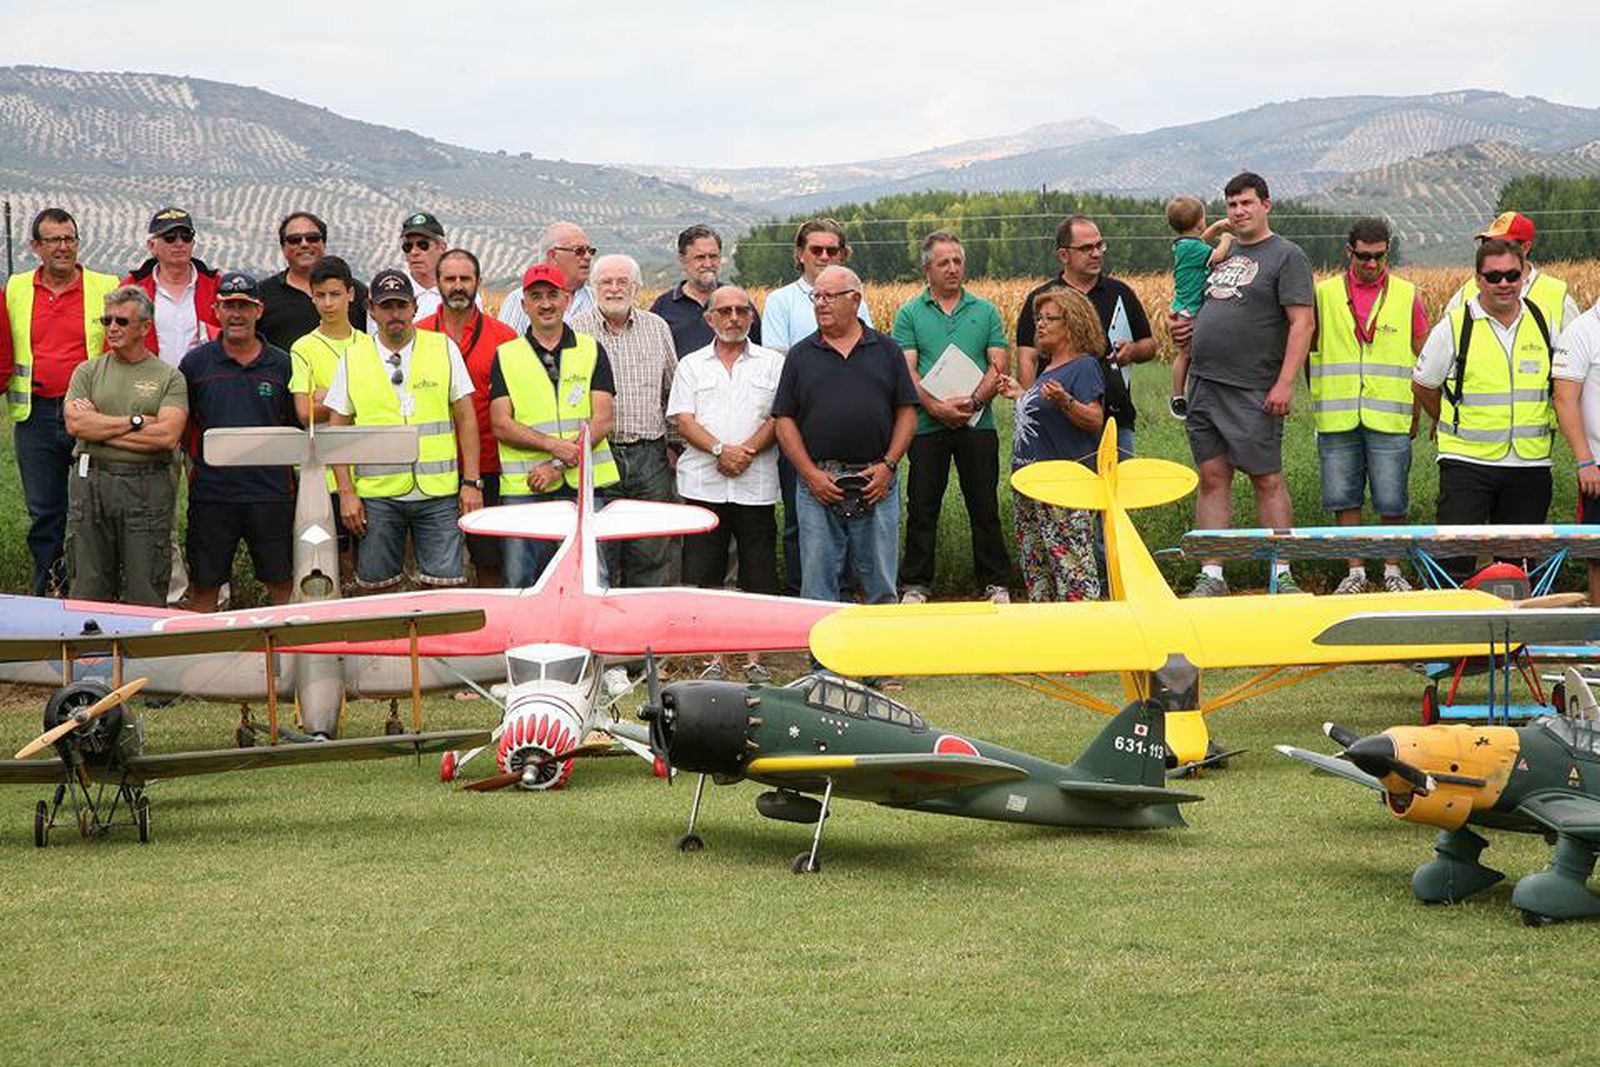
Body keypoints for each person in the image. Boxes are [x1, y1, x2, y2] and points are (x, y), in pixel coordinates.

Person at [1170, 172, 1314, 597]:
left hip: (1253, 387)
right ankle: (1213, 574)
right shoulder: (1221, 255)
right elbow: (1196, 297)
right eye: (1231, 204)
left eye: (1247, 203)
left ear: (1266, 205)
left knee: (1265, 477)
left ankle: (1281, 572)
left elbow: (1302, 323)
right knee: (1212, 476)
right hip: (1205, 384)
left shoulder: (1286, 256)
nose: (1238, 211)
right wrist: (1181, 327)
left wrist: (1285, 383)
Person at [325, 270, 482, 592]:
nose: (394, 314)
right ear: (372, 309)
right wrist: (347, 493)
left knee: (446, 587)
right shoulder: (353, 358)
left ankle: (436, 645)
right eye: (386, 306)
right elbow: (337, 429)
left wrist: (471, 482)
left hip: (438, 493)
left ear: (413, 307)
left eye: (400, 305)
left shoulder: (443, 348)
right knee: (376, 589)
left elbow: (466, 418)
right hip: (378, 496)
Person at [772, 265, 916, 605]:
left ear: (855, 300)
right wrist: (809, 475)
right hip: (819, 482)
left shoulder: (887, 351)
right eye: (816, 296)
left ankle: (879, 658)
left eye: (829, 296)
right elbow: (784, 421)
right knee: (818, 587)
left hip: (876, 480)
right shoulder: (800, 355)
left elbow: (907, 413)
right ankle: (824, 660)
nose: (820, 303)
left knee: (880, 583)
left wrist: (889, 465)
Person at [1414, 239, 1555, 579]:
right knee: (1453, 563)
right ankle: (1451, 628)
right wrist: (1451, 421)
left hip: (1529, 463)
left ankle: (1519, 632)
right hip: (1467, 463)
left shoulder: (1543, 320)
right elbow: (1423, 384)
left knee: (1519, 570)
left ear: (1523, 276)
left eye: (1511, 275)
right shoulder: (1453, 326)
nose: (1503, 283)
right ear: (1478, 279)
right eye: (1493, 276)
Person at [667, 284, 783, 681]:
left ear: (751, 316)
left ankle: (756, 660)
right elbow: (683, 419)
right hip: (705, 484)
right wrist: (720, 450)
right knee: (705, 572)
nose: (734, 318)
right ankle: (711, 658)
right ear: (709, 318)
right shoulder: (691, 365)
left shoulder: (772, 363)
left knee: (759, 571)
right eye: (726, 311)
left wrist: (744, 452)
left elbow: (778, 418)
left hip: (756, 483)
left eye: (742, 310)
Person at [3, 207, 120, 595]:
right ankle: (50, 592)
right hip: (35, 417)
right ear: (36, 246)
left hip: (89, 416)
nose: (63, 247)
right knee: (45, 514)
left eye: (70, 238)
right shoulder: (16, 288)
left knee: (94, 510)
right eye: (53, 240)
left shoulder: (105, 285)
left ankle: (95, 593)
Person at [1310, 218, 1429, 594]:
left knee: (1392, 498)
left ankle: (1393, 571)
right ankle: (1356, 572)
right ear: (1349, 252)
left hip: (1390, 414)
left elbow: (1425, 358)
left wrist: (1418, 410)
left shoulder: (1407, 294)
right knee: (1344, 497)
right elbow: (1304, 348)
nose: (1372, 265)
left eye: (1379, 256)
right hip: (1337, 415)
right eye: (1364, 256)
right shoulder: (1324, 294)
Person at [891, 231, 1010, 605]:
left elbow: (998, 363)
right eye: (943, 262)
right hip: (927, 426)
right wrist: (936, 407)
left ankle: (994, 582)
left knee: (984, 505)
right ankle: (916, 584)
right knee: (923, 506)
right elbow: (906, 369)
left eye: (957, 261)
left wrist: (974, 403)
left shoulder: (985, 310)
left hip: (978, 425)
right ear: (927, 268)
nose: (952, 268)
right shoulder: (910, 313)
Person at [758, 218, 873, 596]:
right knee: (799, 519)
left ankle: (848, 593)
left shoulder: (857, 297)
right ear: (799, 254)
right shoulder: (780, 301)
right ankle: (800, 595)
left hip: (851, 432)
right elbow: (778, 360)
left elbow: (863, 353)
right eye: (816, 250)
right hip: (800, 425)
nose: (824, 256)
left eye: (832, 250)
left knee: (855, 518)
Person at [490, 263, 618, 588]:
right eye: (536, 297)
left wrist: (559, 464)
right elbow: (501, 424)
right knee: (521, 580)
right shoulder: (506, 356)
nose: (545, 304)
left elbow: (602, 420)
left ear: (566, 300)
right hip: (525, 488)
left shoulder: (591, 350)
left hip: (584, 487)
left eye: (552, 295)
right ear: (524, 305)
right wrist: (552, 447)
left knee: (592, 575)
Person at [179, 272, 298, 611]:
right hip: (213, 496)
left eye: (244, 306)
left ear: (258, 310)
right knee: (204, 585)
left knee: (281, 582)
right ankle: (204, 660)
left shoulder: (282, 364)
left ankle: (283, 659)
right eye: (229, 306)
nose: (236, 314)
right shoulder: (196, 364)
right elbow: (186, 428)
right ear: (216, 310)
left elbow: (295, 424)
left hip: (271, 493)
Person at [62, 286, 188, 606]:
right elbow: (76, 425)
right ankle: (91, 655)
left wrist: (99, 429)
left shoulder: (168, 377)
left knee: (145, 583)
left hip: (146, 486)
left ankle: (140, 655)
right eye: (107, 321)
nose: (112, 328)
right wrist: (135, 422)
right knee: (88, 583)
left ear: (145, 327)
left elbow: (166, 437)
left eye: (121, 321)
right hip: (91, 484)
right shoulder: (87, 371)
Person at [570, 254, 678, 587]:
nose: (614, 289)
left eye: (622, 282)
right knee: (599, 552)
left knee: (651, 549)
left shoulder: (656, 327)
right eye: (606, 282)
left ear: (636, 288)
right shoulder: (575, 330)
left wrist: (674, 445)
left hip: (649, 455)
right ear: (593, 286)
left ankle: (644, 630)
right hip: (598, 453)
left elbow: (671, 390)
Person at [417, 248, 518, 587]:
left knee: (490, 562)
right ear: (437, 283)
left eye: (465, 278)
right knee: (434, 567)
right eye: (450, 279)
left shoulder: (504, 338)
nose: (458, 286)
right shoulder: (418, 336)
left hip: (489, 468)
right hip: (430, 469)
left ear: (478, 282)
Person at [997, 288, 1106, 603]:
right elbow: (1044, 418)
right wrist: (1021, 394)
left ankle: (1083, 639)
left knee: (1072, 570)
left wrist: (1066, 401)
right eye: (1038, 319)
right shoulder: (1049, 369)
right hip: (1029, 486)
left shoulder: (1083, 366)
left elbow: (1094, 419)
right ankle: (1048, 638)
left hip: (1062, 488)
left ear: (1071, 323)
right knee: (1038, 569)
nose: (1040, 325)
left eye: (1049, 319)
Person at [1013, 215, 1152, 456]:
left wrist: (1133, 351)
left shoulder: (1120, 293)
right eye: (1087, 248)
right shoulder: (1043, 298)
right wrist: (1029, 404)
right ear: (1063, 255)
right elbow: (1027, 357)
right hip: (1055, 416)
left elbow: (1150, 344)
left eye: (1100, 246)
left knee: (1115, 491)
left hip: (1114, 417)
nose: (1096, 253)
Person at [288, 255, 375, 581]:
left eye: (335, 294)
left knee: (368, 565)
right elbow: (303, 411)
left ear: (350, 294)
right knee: (333, 563)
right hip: (322, 474)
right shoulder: (304, 348)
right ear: (311, 296)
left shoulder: (370, 345)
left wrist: (329, 395)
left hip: (369, 472)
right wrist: (352, 397)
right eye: (320, 295)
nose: (328, 303)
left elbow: (381, 406)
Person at [1444, 212, 1580, 337]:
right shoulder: (1465, 294)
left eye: (1503, 244)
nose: (1494, 249)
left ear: (1525, 248)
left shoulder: (1558, 297)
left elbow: (1575, 350)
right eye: (1488, 243)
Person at [1163, 195, 1234, 418]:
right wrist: (1226, 238)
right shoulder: (1195, 249)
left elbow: (1200, 239)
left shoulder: (1184, 245)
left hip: (1182, 305)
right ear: (1199, 222)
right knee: (1186, 353)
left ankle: (1180, 395)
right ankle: (1178, 396)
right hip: (1191, 309)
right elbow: (1218, 256)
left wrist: (1215, 226)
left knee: (1186, 353)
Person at [257, 212, 369, 351]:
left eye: (312, 238)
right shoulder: (262, 294)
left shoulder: (356, 291)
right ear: (283, 248)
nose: (304, 244)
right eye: (294, 240)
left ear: (324, 243)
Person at [121, 206, 220, 364]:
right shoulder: (131, 290)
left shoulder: (216, 287)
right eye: (170, 237)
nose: (179, 243)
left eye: (186, 236)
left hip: (203, 383)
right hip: (149, 383)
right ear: (152, 246)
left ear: (193, 243)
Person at [649, 225, 762, 355]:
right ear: (683, 260)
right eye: (700, 257)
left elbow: (758, 352)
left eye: (713, 257)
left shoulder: (739, 305)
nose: (708, 264)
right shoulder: (663, 307)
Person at [1553, 297, 1600, 603]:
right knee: (1599, 556)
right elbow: (1564, 399)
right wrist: (1585, 461)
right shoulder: (1583, 330)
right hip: (1598, 467)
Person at [496, 221, 597, 334]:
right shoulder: (517, 300)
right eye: (579, 251)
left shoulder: (598, 300)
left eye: (590, 251)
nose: (588, 257)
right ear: (553, 256)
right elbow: (506, 346)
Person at [394, 211, 451, 321]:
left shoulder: (461, 295)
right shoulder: (392, 294)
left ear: (442, 248)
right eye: (408, 246)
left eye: (423, 245)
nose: (414, 252)